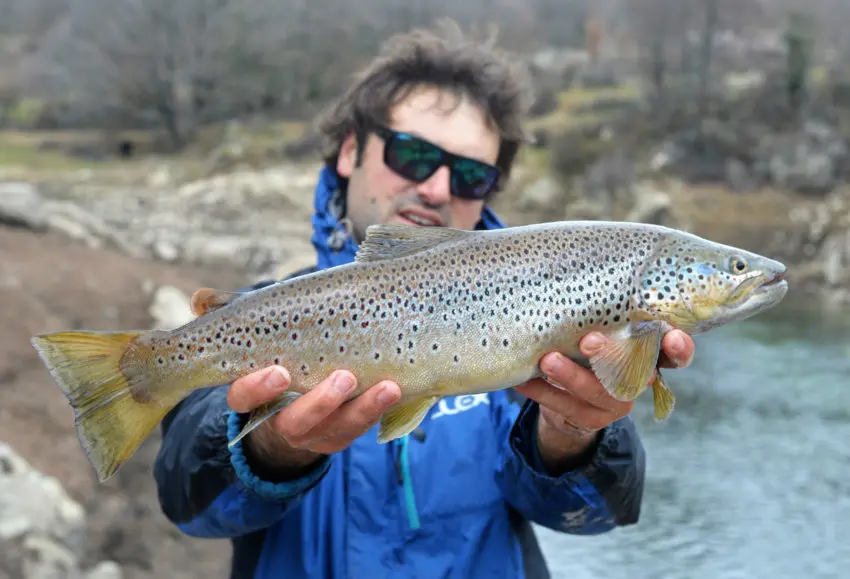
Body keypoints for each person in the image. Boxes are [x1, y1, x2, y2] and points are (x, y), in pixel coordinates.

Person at [153, 21, 695, 579]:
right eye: (412, 155)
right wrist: (272, 447)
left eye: (469, 174)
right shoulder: (264, 314)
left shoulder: (552, 321)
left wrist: (575, 433)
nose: (437, 187)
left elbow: (601, 514)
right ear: (349, 151)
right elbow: (186, 504)